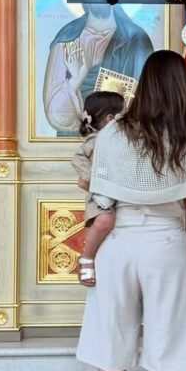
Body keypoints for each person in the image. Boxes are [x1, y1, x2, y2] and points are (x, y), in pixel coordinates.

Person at [76, 50, 186, 371]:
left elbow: (101, 194)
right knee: (168, 351)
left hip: (117, 243)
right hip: (166, 243)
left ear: (143, 84)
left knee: (111, 350)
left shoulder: (113, 132)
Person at [43, 0, 154, 135]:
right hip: (74, 140)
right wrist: (75, 80)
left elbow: (147, 101)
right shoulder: (67, 39)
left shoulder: (136, 40)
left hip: (120, 140)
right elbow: (54, 115)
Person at [71, 90, 126, 287]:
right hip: (101, 195)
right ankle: (87, 257)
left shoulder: (121, 140)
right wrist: (90, 179)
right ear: (110, 119)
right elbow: (78, 159)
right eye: (123, 115)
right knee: (104, 220)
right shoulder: (95, 140)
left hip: (117, 191)